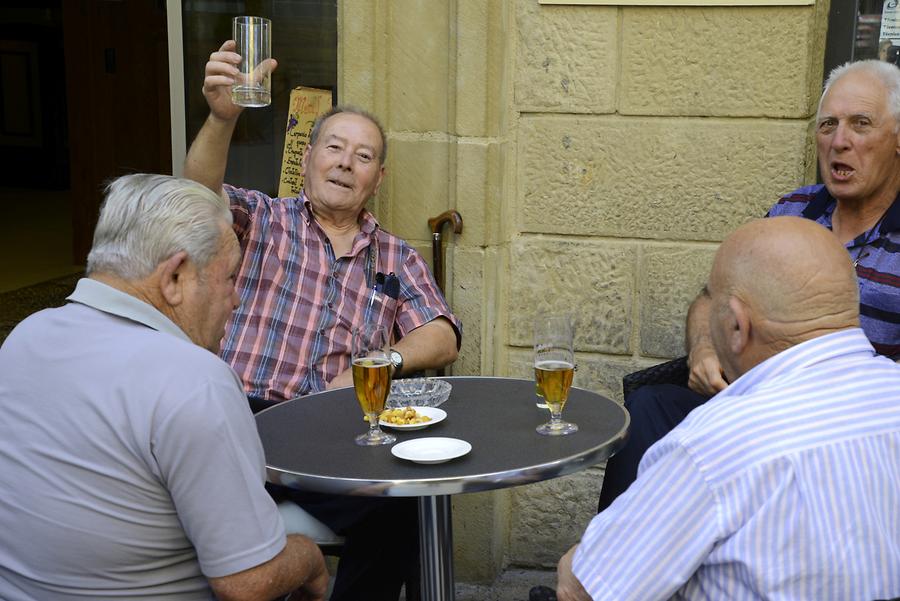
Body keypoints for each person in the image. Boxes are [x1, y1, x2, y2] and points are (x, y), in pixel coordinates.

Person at [183, 40, 462, 601]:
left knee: (402, 508)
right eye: (333, 147)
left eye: (362, 156)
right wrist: (220, 119)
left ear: (377, 179)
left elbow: (444, 333)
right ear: (307, 157)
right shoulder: (259, 219)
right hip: (244, 419)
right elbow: (194, 198)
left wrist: (379, 361)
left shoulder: (394, 256)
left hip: (334, 432)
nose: (344, 162)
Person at [0, 174, 328, 601]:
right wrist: (310, 559)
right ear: (174, 277)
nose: (236, 300)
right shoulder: (194, 380)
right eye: (229, 278)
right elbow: (248, 582)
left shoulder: (25, 335)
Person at [597, 58, 900, 513]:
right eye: (828, 126)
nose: (840, 142)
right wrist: (703, 350)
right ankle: (606, 569)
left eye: (861, 124)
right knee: (649, 407)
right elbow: (711, 299)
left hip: (842, 436)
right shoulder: (793, 210)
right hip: (748, 408)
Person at [556, 216, 900, 600]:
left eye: (713, 302)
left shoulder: (715, 444)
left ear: (737, 326)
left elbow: (583, 589)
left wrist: (578, 559)